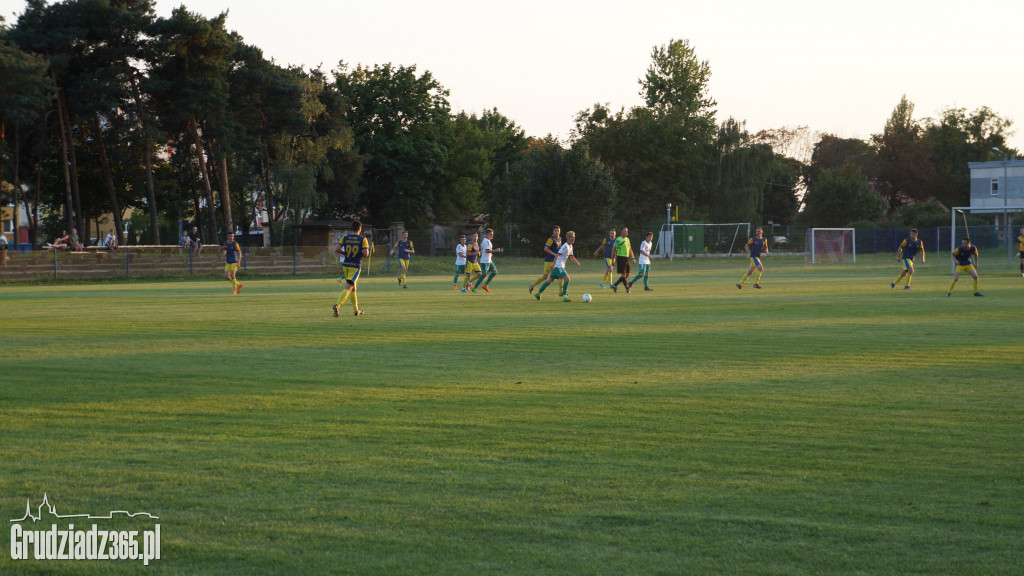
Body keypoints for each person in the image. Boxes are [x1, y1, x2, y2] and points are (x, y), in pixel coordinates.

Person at [333, 220, 369, 317]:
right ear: (360, 229)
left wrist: (345, 253)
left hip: (346, 264)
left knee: (353, 287)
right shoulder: (363, 239)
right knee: (349, 287)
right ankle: (337, 305)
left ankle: (356, 310)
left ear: (351, 228)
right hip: (355, 266)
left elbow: (336, 249)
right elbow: (366, 254)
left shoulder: (345, 238)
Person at [534, 230, 581, 302]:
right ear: (568, 238)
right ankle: (564, 296)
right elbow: (558, 255)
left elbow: (571, 256)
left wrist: (576, 262)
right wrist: (553, 264)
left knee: (549, 281)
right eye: (572, 237)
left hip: (558, 266)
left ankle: (538, 293)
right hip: (558, 266)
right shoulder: (565, 246)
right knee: (567, 279)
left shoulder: (570, 246)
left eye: (574, 237)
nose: (574, 238)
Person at [529, 225, 562, 294]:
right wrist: (554, 254)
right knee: (550, 276)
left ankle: (532, 286)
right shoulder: (551, 239)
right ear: (553, 232)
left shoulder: (560, 239)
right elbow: (545, 249)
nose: (557, 232)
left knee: (553, 276)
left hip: (556, 261)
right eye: (555, 231)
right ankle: (561, 292)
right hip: (549, 260)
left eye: (558, 231)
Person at [473, 228, 502, 293]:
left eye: (492, 234)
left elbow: (482, 248)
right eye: (491, 234)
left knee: (494, 272)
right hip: (485, 261)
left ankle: (485, 285)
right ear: (487, 235)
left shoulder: (487, 241)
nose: (492, 236)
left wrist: (490, 253)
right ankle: (475, 287)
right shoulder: (486, 241)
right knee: (483, 274)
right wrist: (495, 251)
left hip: (489, 260)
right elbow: (486, 250)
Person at [610, 226, 635, 293]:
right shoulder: (618, 239)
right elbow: (613, 250)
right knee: (623, 275)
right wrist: (612, 260)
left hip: (626, 258)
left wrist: (633, 258)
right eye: (625, 231)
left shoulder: (627, 239)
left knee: (627, 274)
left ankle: (615, 285)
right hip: (621, 258)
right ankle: (627, 288)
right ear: (621, 232)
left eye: (627, 231)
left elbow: (630, 249)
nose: (626, 232)